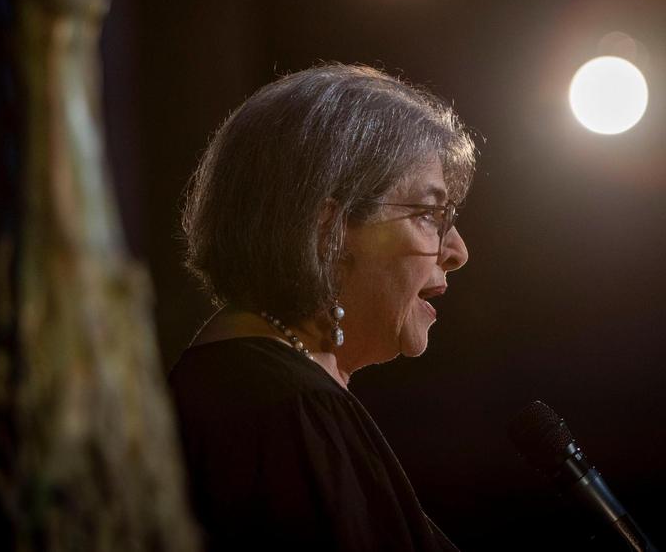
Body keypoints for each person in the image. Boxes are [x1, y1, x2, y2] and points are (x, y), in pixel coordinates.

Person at [169, 63, 475, 550]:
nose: (457, 251)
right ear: (328, 231)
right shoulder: (289, 413)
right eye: (427, 214)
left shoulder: (247, 389)